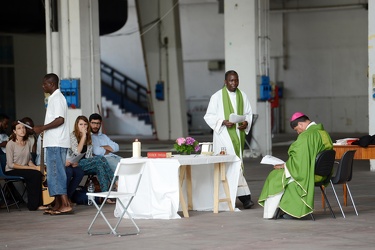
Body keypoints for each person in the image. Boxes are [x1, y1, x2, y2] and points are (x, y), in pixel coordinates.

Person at [258, 112, 333, 219]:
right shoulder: (323, 132)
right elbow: (305, 159)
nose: (298, 133)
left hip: (310, 174)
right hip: (322, 174)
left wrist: (285, 166)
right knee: (283, 174)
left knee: (275, 175)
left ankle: (282, 212)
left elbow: (299, 161)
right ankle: (284, 209)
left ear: (301, 124)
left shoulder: (306, 136)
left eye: (297, 129)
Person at [204, 70, 254, 209]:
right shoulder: (217, 97)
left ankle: (241, 198)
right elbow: (208, 116)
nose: (234, 83)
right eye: (231, 81)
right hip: (223, 138)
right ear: (225, 81)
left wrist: (246, 123)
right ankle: (244, 199)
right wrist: (222, 122)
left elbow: (249, 114)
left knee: (236, 165)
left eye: (236, 80)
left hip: (238, 136)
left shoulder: (242, 95)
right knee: (228, 167)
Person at [33, 73, 73, 215]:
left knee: (56, 173)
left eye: (45, 84)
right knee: (53, 174)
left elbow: (60, 119)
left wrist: (42, 128)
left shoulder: (57, 98)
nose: (43, 86)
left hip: (56, 142)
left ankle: (66, 204)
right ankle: (57, 204)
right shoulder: (54, 98)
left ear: (52, 84)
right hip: (54, 141)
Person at [5, 121, 46, 211]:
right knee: (34, 174)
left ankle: (39, 204)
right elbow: (10, 164)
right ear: (14, 131)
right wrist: (32, 168)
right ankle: (33, 205)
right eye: (19, 128)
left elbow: (28, 160)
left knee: (38, 173)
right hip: (12, 169)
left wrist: (35, 167)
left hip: (24, 168)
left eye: (23, 128)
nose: (22, 130)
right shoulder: (10, 144)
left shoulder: (27, 142)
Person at [68, 115, 114, 193]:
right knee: (100, 158)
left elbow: (89, 156)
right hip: (74, 163)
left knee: (100, 166)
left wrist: (86, 136)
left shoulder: (89, 137)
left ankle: (105, 194)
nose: (83, 126)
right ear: (77, 125)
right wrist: (83, 136)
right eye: (81, 124)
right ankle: (115, 181)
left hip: (85, 163)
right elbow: (77, 152)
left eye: (85, 124)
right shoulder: (72, 136)